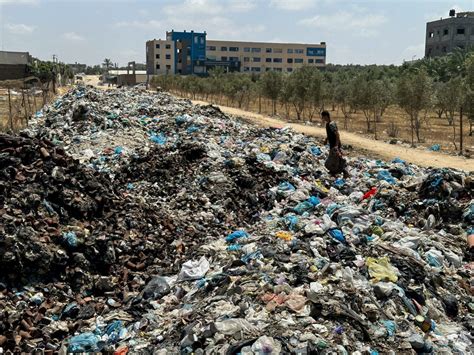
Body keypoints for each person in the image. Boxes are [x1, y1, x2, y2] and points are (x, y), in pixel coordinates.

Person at [321, 110, 349, 178]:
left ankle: (344, 171)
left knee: (333, 161)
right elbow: (330, 134)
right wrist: (326, 139)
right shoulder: (328, 124)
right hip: (332, 145)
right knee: (335, 160)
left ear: (326, 116)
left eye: (323, 117)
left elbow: (337, 134)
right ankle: (334, 172)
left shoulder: (331, 124)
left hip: (335, 145)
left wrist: (336, 145)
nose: (323, 118)